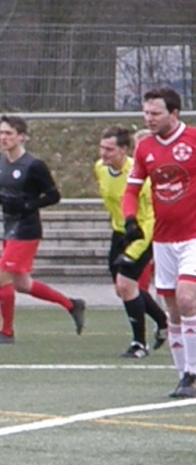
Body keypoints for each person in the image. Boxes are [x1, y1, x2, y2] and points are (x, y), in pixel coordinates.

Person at [0, 114, 85, 344]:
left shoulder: (34, 165)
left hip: (26, 229)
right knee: (22, 284)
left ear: (21, 137)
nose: (3, 137)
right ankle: (72, 305)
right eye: (1, 133)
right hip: (10, 227)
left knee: (1, 277)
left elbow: (53, 196)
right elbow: (7, 191)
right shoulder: (1, 160)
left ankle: (6, 333)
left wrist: (28, 205)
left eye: (9, 133)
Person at [123, 86, 196, 398]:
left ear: (174, 113)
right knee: (173, 310)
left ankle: (192, 374)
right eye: (146, 113)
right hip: (164, 240)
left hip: (193, 236)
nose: (149, 118)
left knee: (187, 298)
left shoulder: (193, 140)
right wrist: (130, 220)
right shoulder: (145, 148)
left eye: (155, 113)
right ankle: (183, 377)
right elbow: (131, 190)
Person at [94, 125, 168, 358]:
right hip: (119, 233)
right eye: (102, 148)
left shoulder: (137, 175)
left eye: (109, 149)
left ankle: (139, 344)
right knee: (124, 288)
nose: (103, 153)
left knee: (126, 285)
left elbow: (149, 215)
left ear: (124, 150)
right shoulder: (100, 168)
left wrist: (135, 247)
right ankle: (162, 321)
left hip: (142, 233)